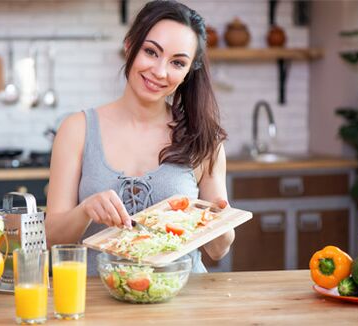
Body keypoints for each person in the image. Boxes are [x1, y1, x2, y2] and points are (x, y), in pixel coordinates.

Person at [45, 0, 234, 275]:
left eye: (177, 62)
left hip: (180, 303)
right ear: (129, 45)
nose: (159, 72)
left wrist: (221, 220)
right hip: (99, 303)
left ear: (188, 72)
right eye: (151, 52)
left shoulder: (204, 138)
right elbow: (51, 240)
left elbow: (218, 251)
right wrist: (85, 209)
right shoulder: (77, 129)